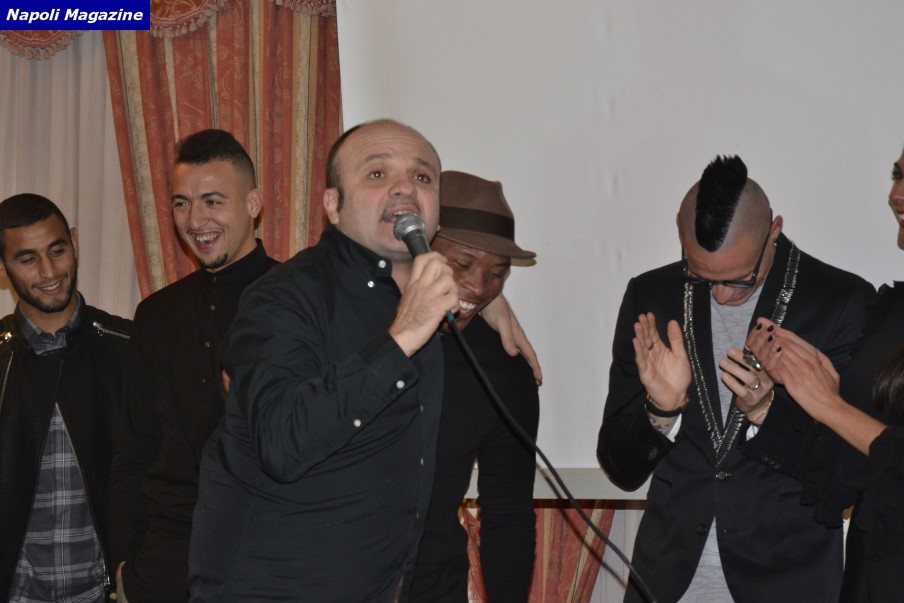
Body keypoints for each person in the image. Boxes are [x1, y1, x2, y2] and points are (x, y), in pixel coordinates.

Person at [188, 118, 461, 601]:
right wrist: (401, 338)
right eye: (377, 174)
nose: (404, 188)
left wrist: (489, 303)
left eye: (422, 177)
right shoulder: (283, 298)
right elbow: (282, 444)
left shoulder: (423, 300)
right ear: (333, 205)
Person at [596, 155, 875, 603]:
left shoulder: (840, 302)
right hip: (666, 579)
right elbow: (620, 468)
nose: (722, 296)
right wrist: (661, 411)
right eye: (701, 277)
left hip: (788, 582)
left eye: (741, 280)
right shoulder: (652, 296)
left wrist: (767, 412)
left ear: (774, 230)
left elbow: (848, 475)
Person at [108, 129, 278, 602]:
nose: (195, 219)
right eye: (182, 203)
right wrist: (121, 567)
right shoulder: (155, 314)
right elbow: (135, 450)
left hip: (267, 558)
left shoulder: (296, 302)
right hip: (162, 565)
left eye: (213, 201)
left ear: (253, 204)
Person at [745, 145, 904, 602]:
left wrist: (831, 406)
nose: (895, 194)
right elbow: (850, 474)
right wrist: (766, 405)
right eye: (896, 175)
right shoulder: (894, 314)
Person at [409, 171, 539, 602]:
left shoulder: (503, 367)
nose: (479, 287)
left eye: (497, 273)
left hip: (434, 587)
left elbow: (509, 516)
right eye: (462, 264)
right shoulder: (356, 328)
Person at [0, 194, 131, 602]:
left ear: (74, 242)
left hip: (108, 592)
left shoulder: (131, 348)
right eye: (28, 259)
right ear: (2, 267)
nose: (49, 271)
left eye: (57, 250)